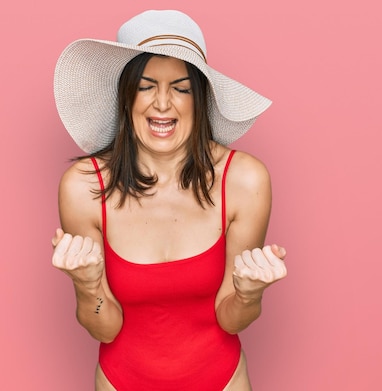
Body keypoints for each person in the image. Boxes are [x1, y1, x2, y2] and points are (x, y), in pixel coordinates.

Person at [51, 10, 287, 391]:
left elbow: (232, 319)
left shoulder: (244, 180)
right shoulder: (83, 187)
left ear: (201, 98)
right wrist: (88, 286)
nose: (163, 104)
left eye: (181, 87)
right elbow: (103, 325)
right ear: (125, 97)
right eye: (146, 86)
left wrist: (248, 294)